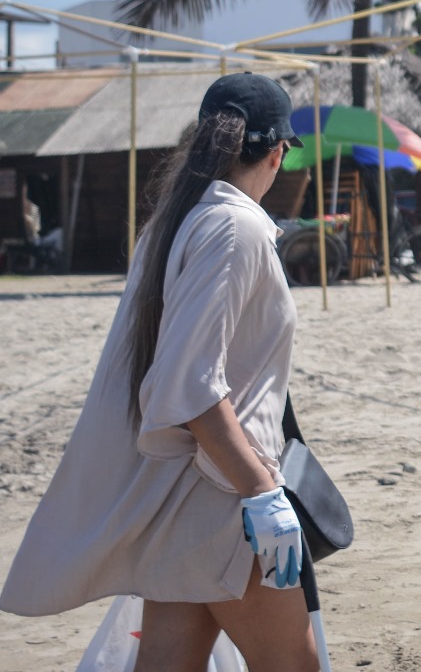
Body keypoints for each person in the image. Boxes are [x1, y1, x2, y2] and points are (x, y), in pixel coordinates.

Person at [0, 73, 321, 672]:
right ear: (278, 151)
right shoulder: (235, 226)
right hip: (224, 497)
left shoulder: (175, 223)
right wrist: (261, 492)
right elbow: (187, 383)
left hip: (178, 497)